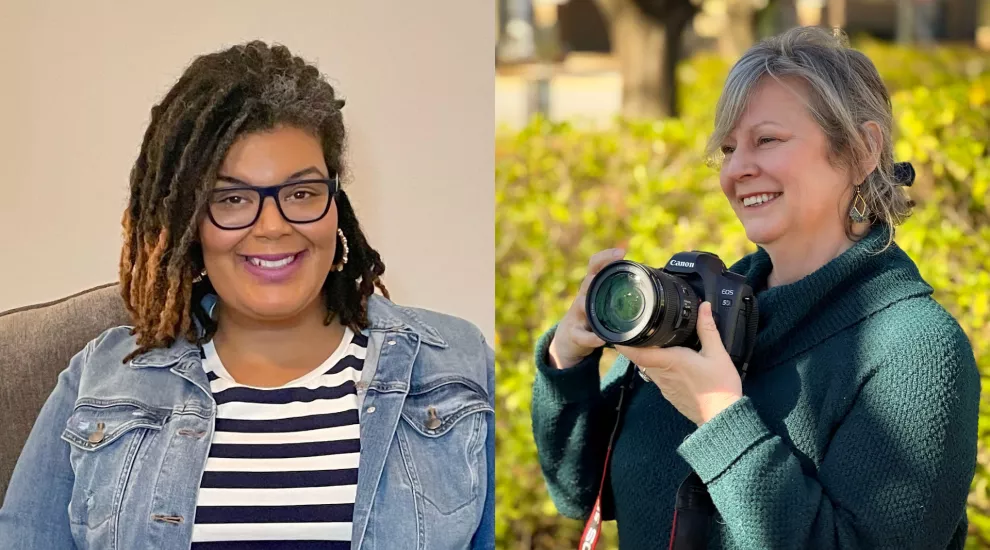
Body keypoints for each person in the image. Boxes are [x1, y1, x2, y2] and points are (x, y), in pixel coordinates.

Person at [0, 40, 494, 550]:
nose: (273, 226)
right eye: (232, 199)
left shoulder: (455, 366)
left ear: (336, 204)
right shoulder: (98, 380)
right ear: (190, 223)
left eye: (301, 193)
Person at [531, 26, 979, 549]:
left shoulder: (916, 349)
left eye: (766, 140)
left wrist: (719, 414)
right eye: (728, 148)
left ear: (861, 150)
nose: (737, 169)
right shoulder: (694, 309)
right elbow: (580, 491)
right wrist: (568, 358)